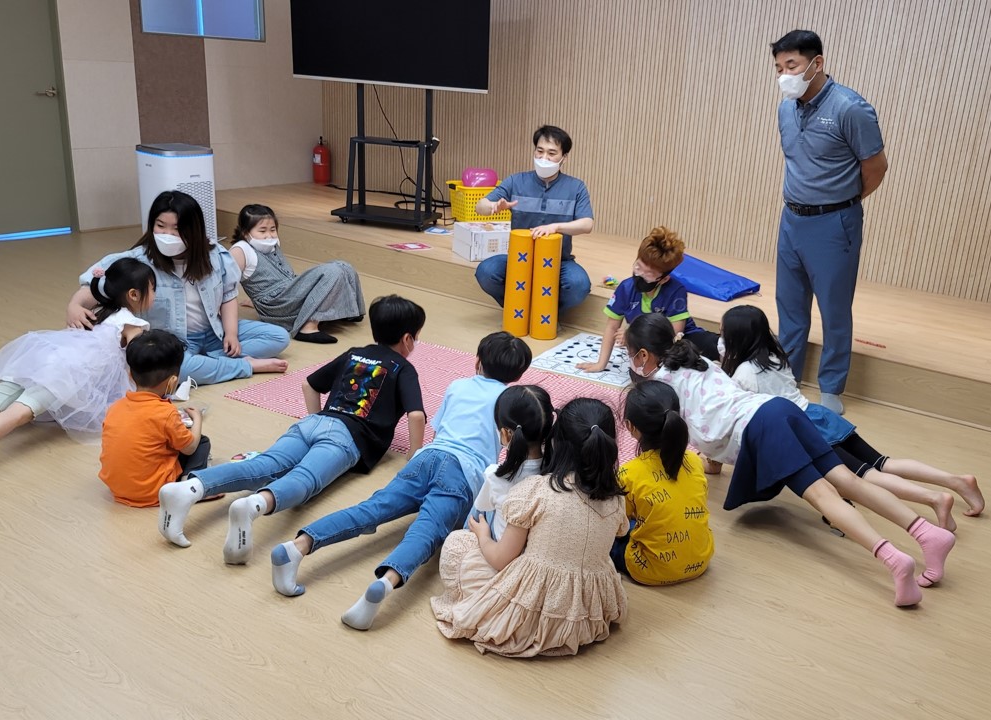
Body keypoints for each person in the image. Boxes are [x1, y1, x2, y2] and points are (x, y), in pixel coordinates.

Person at [625, 313, 955, 607]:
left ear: (643, 355)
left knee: (824, 496)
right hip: (778, 408)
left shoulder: (660, 387)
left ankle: (893, 559)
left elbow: (688, 429)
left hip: (759, 427)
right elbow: (713, 415)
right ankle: (927, 533)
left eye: (629, 354)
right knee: (847, 481)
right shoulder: (698, 360)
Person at [266, 331, 533, 632]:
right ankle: (386, 581)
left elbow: (439, 429)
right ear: (517, 376)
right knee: (427, 531)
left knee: (371, 508)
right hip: (462, 473)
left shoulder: (458, 385)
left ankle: (298, 546)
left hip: (427, 457)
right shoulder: (509, 402)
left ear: (477, 362)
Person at [157, 295, 428, 564]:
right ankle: (254, 505)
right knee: (304, 479)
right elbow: (416, 415)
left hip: (311, 423)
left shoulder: (355, 353)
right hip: (346, 436)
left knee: (263, 465)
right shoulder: (404, 368)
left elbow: (309, 384)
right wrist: (414, 454)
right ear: (407, 339)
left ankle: (190, 487)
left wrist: (317, 420)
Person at [718, 305, 985, 528]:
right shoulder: (776, 356)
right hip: (819, 416)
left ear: (736, 338)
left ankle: (934, 498)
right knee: (883, 463)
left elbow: (741, 415)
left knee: (866, 477)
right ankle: (956, 480)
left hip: (805, 429)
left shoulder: (743, 374)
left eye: (723, 333)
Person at [0, 258, 156, 487]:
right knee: (18, 414)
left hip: (38, 358)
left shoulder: (94, 309)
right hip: (64, 372)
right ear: (134, 294)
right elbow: (138, 360)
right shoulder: (132, 323)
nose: (154, 295)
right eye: (153, 289)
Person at [431, 398, 629, 657]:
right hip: (587, 614)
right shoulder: (616, 499)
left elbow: (501, 559)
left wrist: (482, 535)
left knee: (457, 544)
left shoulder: (537, 491)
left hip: (531, 613)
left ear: (555, 442)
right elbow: (620, 532)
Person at [771, 30, 888, 415]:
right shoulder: (785, 109)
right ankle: (787, 379)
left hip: (834, 222)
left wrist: (842, 203)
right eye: (778, 68)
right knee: (789, 304)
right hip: (791, 219)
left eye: (791, 65)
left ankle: (832, 387)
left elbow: (876, 167)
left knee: (834, 309)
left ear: (817, 63)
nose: (784, 75)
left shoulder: (851, 108)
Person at [66, 190, 290, 386]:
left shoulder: (214, 256)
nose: (168, 235)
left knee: (279, 337)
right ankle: (243, 365)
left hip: (214, 331)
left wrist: (231, 334)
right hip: (173, 341)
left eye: (176, 228)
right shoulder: (137, 262)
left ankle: (208, 362)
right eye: (160, 226)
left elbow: (228, 296)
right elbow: (97, 286)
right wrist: (75, 305)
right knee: (174, 369)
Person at [473, 125, 594, 315]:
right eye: (539, 151)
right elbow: (480, 206)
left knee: (579, 285)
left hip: (559, 261)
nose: (544, 157)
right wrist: (493, 206)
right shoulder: (516, 181)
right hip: (519, 258)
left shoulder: (576, 187)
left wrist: (555, 227)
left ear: (564, 157)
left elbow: (587, 224)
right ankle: (518, 310)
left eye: (552, 153)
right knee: (486, 272)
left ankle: (546, 314)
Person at [577, 226, 719, 374]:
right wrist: (601, 364)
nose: (640, 275)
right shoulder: (625, 288)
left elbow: (673, 335)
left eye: (649, 274)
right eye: (638, 267)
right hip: (648, 347)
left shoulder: (676, 291)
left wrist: (633, 336)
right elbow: (612, 327)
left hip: (679, 340)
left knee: (711, 345)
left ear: (664, 279)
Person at [614, 380, 714, 585]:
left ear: (630, 426)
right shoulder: (694, 461)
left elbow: (618, 525)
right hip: (701, 559)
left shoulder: (628, 473)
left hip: (650, 570)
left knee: (606, 532)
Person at [100, 330, 210, 507]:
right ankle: (189, 487)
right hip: (155, 491)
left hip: (117, 489)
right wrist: (197, 419)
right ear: (172, 382)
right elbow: (189, 448)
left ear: (131, 376)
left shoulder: (115, 408)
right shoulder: (166, 413)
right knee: (201, 442)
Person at [229, 203, 365, 344]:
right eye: (262, 231)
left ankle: (350, 310)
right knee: (333, 272)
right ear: (246, 233)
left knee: (344, 266)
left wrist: (253, 301)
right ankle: (307, 327)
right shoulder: (240, 250)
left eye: (273, 229)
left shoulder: (271, 243)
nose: (269, 235)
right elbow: (225, 285)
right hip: (277, 304)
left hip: (289, 291)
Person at [473, 385, 554, 540]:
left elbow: (481, 507)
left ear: (505, 434)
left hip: (501, 544)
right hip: (536, 543)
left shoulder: (495, 476)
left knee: (478, 513)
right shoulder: (557, 470)